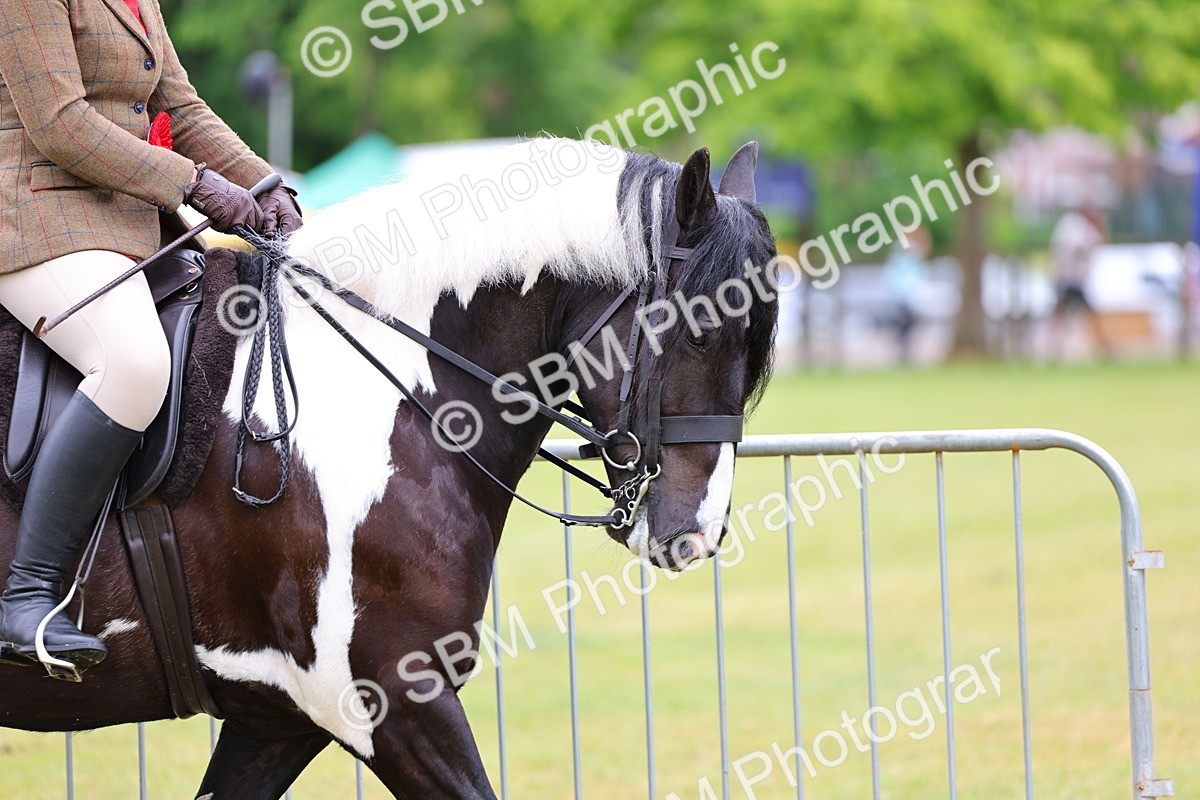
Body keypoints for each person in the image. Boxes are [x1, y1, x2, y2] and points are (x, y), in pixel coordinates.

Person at [0, 0, 302, 679]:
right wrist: (193, 182)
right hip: (38, 223)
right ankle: (26, 597)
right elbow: (59, 124)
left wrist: (262, 182)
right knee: (134, 364)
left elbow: (182, 107)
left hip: (130, 225)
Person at [1050, 205, 1110, 359]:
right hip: (1070, 280)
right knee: (1072, 315)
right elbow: (1077, 250)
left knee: (1066, 315)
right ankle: (1104, 348)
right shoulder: (1076, 228)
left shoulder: (1075, 227)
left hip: (1073, 280)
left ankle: (1103, 348)